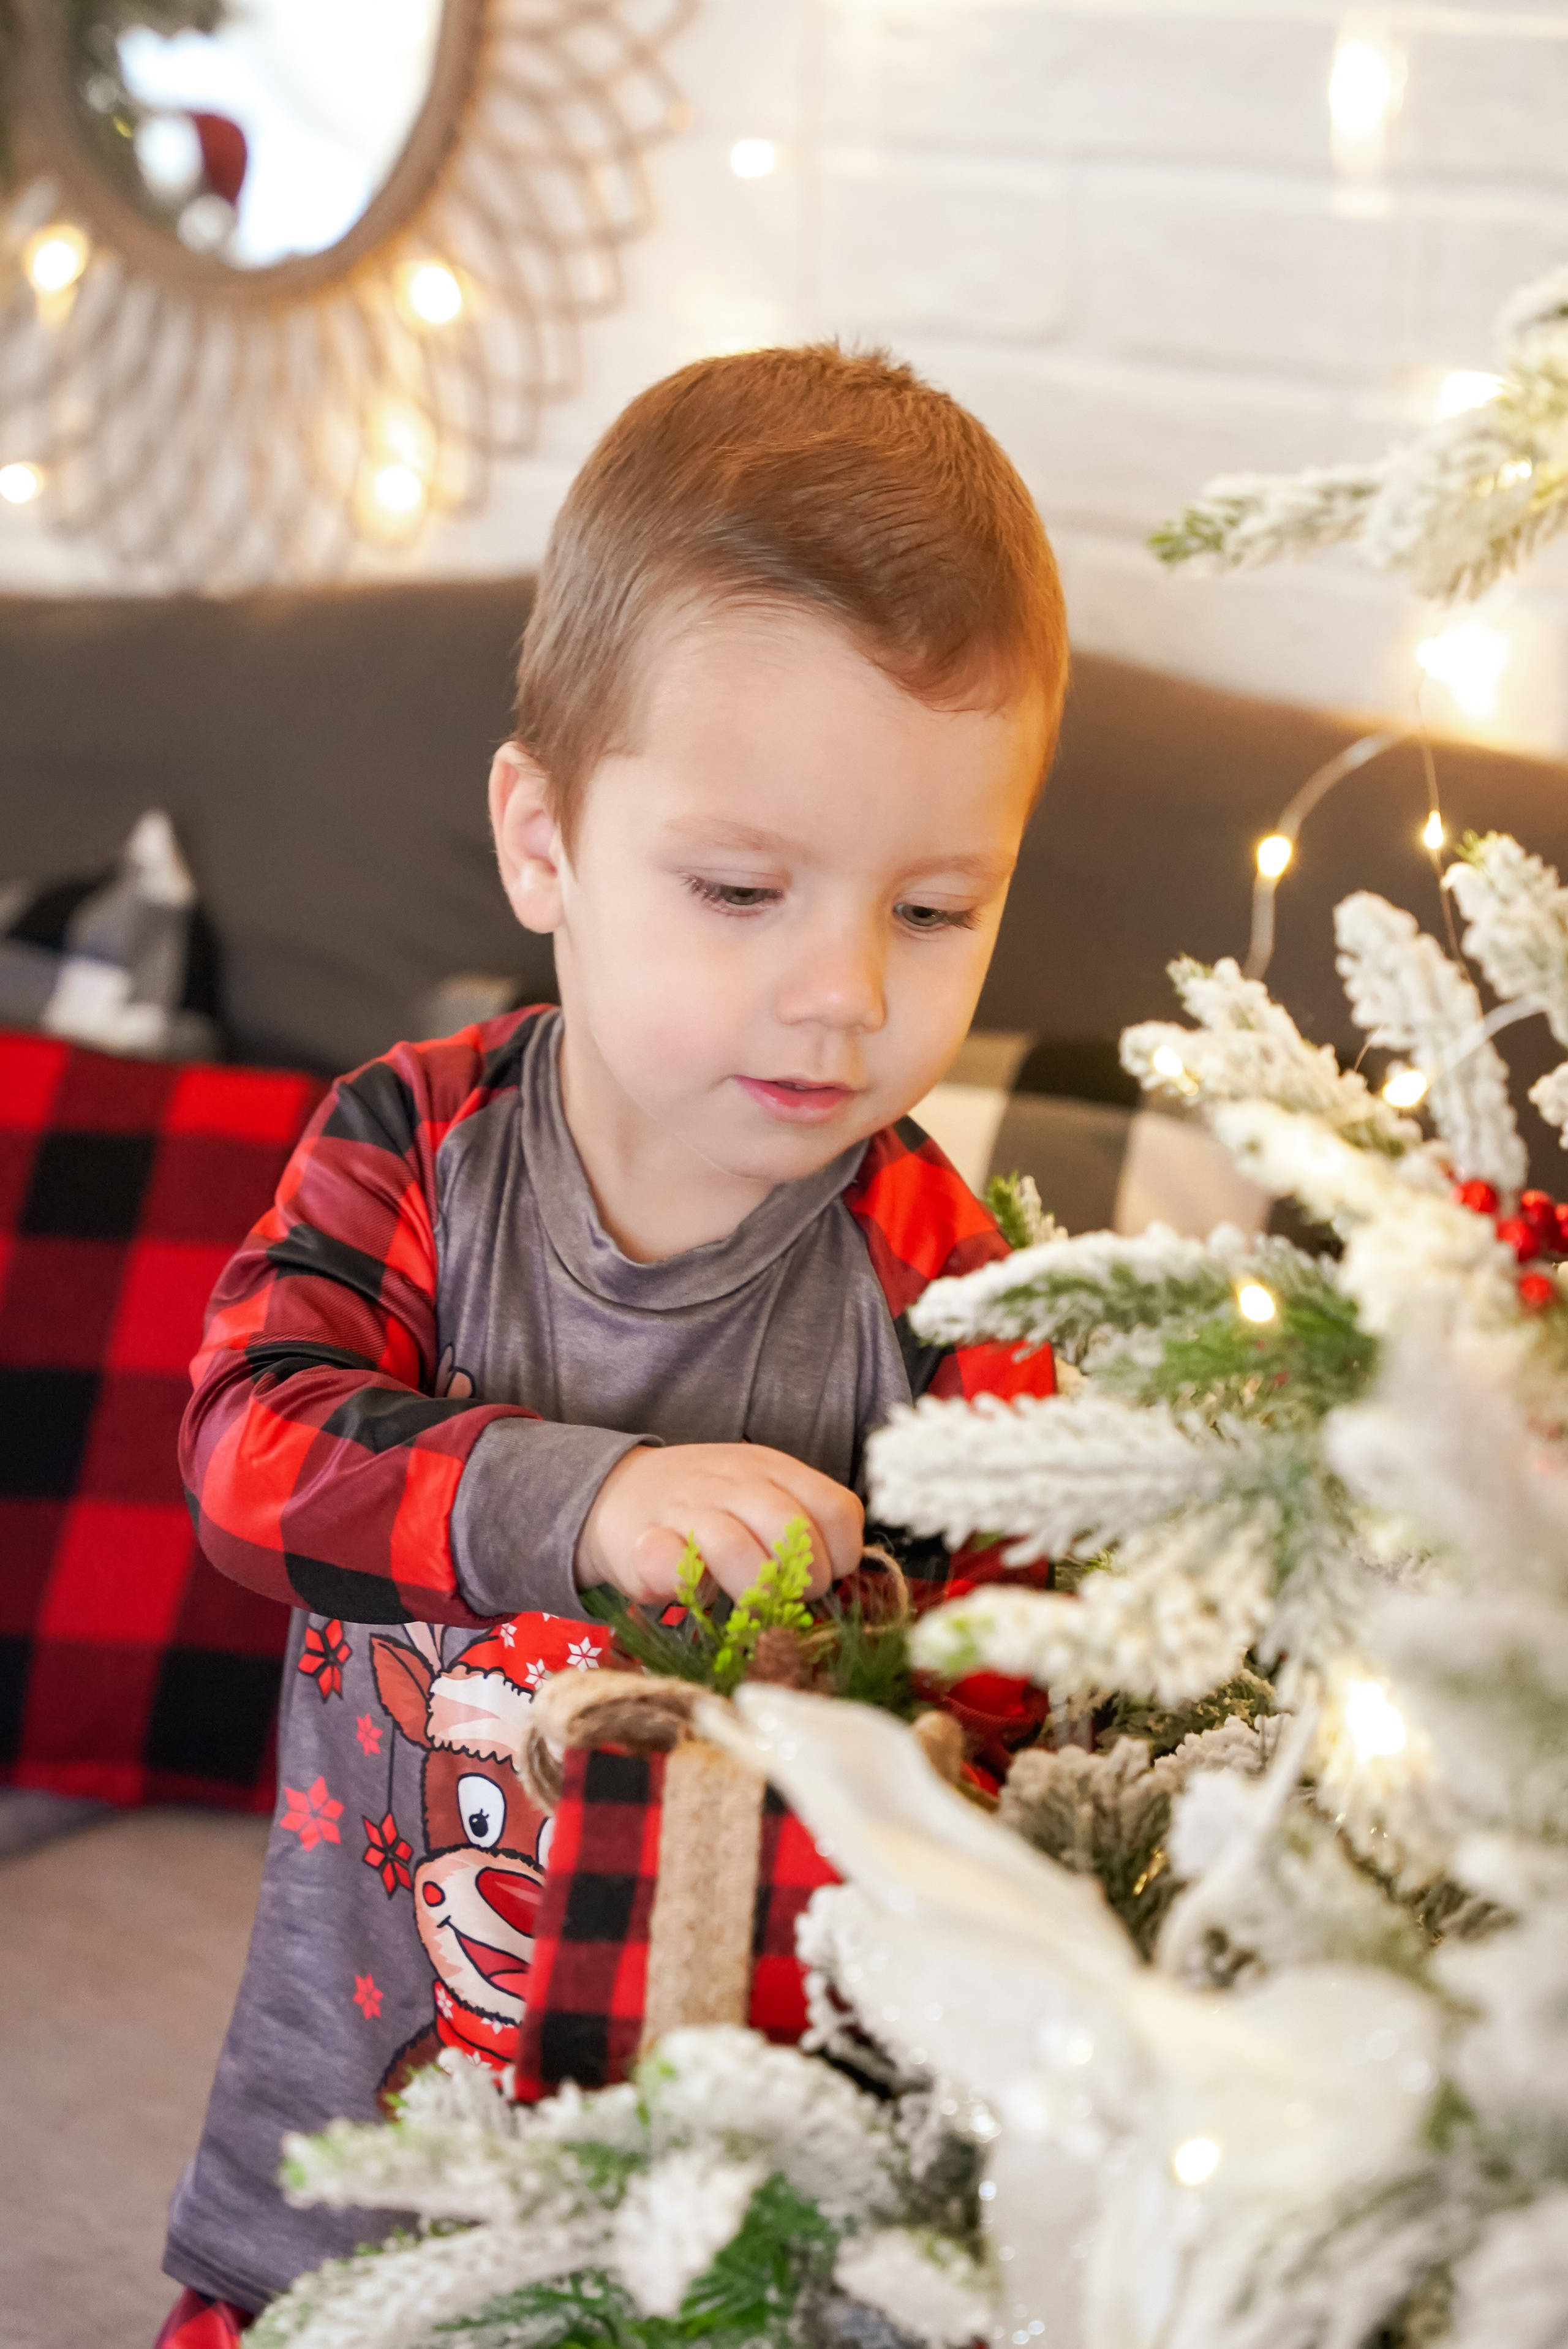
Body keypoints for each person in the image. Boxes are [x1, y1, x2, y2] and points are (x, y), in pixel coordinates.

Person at [154, 342, 1069, 2347]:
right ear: (545, 842)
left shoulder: (935, 1266)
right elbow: (243, 1446)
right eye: (741, 888)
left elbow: (1036, 1658)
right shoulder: (416, 1145)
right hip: (375, 2096)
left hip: (745, 2159)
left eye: (934, 909)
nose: (839, 992)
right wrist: (594, 1500)